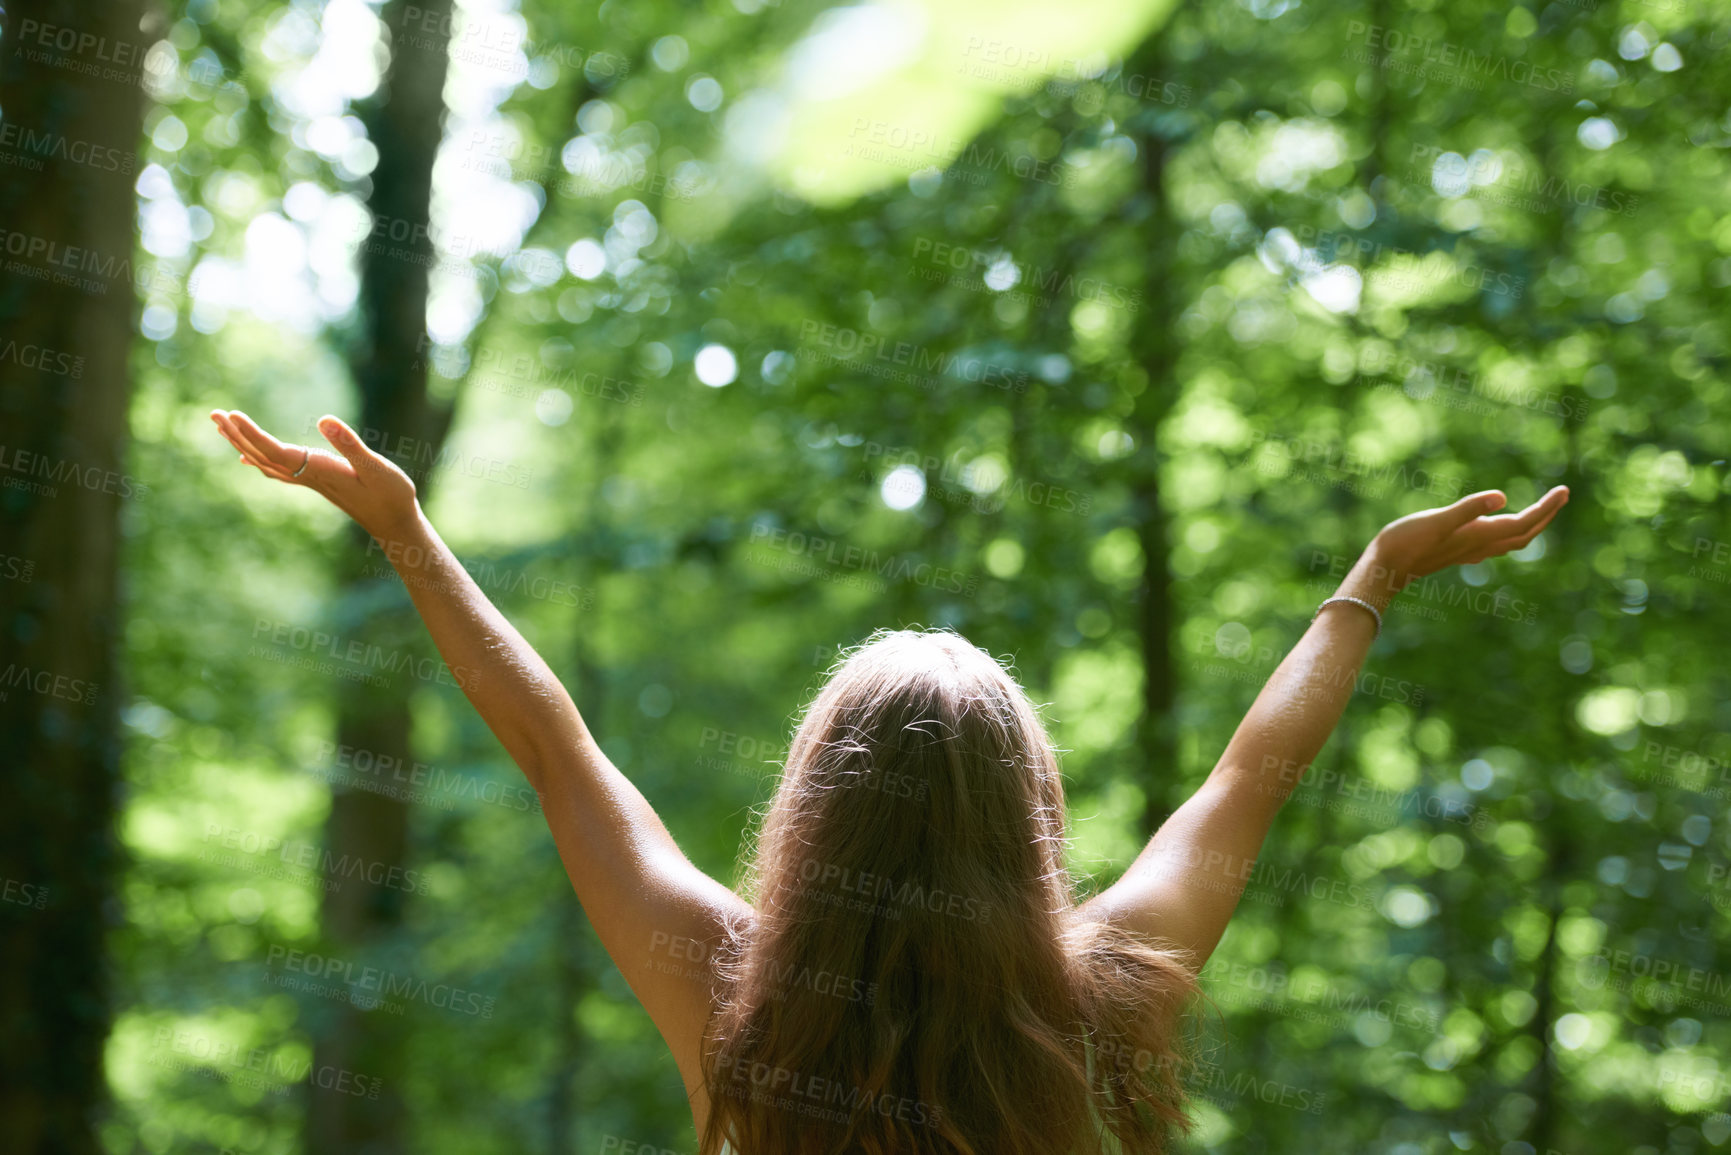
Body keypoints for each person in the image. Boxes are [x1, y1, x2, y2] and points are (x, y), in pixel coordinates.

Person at [210, 409, 1568, 1154]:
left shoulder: (735, 1008)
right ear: (1025, 821)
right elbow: (1251, 778)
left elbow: (557, 752)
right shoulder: (1109, 999)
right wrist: (1370, 581)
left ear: (815, 819)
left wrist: (407, 534)